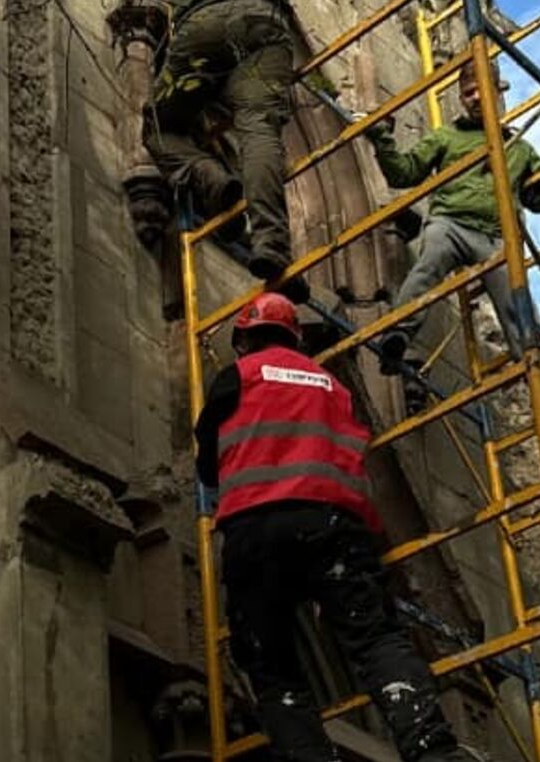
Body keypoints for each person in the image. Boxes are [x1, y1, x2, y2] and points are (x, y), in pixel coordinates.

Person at [195, 292, 475, 762]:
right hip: (334, 526)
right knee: (375, 638)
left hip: (257, 528)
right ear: (294, 337)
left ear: (244, 339)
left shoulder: (237, 376)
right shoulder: (331, 384)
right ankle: (432, 748)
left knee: (271, 662)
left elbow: (207, 463)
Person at [363, 61, 540, 410]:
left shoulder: (518, 147)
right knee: (428, 266)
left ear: (499, 93)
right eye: (467, 93)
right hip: (451, 222)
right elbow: (404, 174)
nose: (474, 99)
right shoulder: (448, 136)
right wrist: (381, 138)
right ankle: (397, 334)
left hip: (494, 236)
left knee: (518, 305)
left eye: (480, 91)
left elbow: (538, 199)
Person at [136, 0, 307, 297]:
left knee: (158, 125)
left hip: (199, 31)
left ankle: (212, 179)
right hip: (258, 20)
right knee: (259, 129)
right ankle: (272, 242)